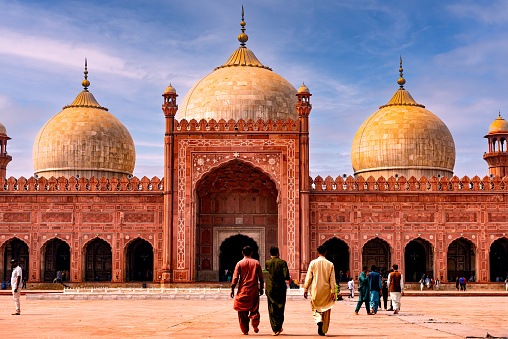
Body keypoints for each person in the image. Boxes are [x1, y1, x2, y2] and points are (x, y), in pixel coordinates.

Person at [230, 246, 264, 335]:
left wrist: (232, 289)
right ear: (251, 253)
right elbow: (261, 277)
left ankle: (245, 330)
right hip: (253, 290)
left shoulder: (239, 263)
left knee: (242, 311)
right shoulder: (256, 263)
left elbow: (235, 277)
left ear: (242, 253)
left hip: (243, 290)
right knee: (254, 308)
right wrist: (261, 288)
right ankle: (255, 324)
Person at [304, 245, 336, 336]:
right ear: (325, 253)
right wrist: (333, 292)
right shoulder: (330, 264)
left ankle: (318, 320)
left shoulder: (313, 263)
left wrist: (306, 289)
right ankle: (323, 330)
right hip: (326, 290)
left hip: (315, 289)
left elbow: (309, 277)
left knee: (315, 307)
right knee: (326, 309)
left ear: (317, 253)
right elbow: (332, 280)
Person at [265, 246, 289, 336]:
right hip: (281, 288)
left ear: (270, 254)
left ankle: (275, 329)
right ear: (278, 253)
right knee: (280, 307)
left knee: (272, 308)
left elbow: (268, 271)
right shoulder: (283, 263)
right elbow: (286, 276)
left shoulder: (267, 262)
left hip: (270, 287)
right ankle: (279, 326)